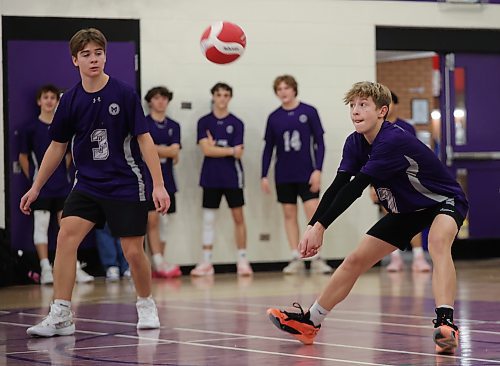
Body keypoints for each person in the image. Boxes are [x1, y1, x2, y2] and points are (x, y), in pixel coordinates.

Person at [267, 81, 468, 355]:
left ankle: (446, 325)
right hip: (407, 210)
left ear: (382, 111)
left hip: (443, 200)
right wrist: (313, 225)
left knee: (437, 242)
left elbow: (355, 188)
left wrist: (322, 226)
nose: (356, 112)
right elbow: (338, 186)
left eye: (363, 105)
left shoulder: (391, 139)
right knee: (355, 260)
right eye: (352, 106)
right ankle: (310, 322)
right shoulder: (354, 142)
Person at [21, 28, 170, 337]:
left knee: (132, 251)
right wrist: (36, 187)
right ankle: (61, 313)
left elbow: (145, 140)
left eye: (98, 53)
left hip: (125, 182)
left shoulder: (125, 93)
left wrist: (158, 184)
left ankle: (145, 303)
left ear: (105, 55)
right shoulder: (70, 99)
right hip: (87, 183)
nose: (93, 59)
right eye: (86, 54)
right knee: (66, 237)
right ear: (75, 60)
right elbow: (57, 147)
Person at [19, 84, 94, 285]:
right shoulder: (30, 128)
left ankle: (75, 267)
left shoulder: (64, 126)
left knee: (68, 228)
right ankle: (45, 268)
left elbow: (68, 154)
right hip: (42, 189)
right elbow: (24, 157)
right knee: (41, 226)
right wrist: (34, 180)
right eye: (46, 97)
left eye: (53, 97)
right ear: (39, 101)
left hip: (63, 186)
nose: (50, 101)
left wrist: (62, 174)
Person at [261, 75, 333, 274]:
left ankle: (317, 257)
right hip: (283, 174)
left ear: (294, 89)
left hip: (306, 173)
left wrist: (318, 169)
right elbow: (269, 148)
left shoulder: (308, 112)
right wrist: (264, 175)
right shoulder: (274, 117)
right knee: (289, 214)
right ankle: (296, 256)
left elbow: (320, 143)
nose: (283, 92)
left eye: (286, 88)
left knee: (314, 213)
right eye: (279, 89)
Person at [190, 82, 253, 276]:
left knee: (238, 217)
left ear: (230, 98)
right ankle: (206, 262)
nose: (222, 99)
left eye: (226, 95)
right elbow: (206, 150)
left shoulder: (237, 123)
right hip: (211, 176)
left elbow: (238, 153)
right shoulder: (204, 122)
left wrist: (219, 149)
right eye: (219, 95)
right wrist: (228, 150)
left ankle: (242, 260)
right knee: (209, 218)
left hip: (233, 176)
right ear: (213, 97)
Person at [373, 90, 432, 273]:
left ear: (395, 105)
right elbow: (372, 159)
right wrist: (371, 185)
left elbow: (416, 155)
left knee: (412, 217)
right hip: (385, 180)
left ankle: (418, 257)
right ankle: (395, 258)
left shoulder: (407, 127)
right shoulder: (375, 128)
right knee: (392, 218)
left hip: (407, 180)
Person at [143, 86, 182, 278]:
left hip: (168, 180)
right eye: (157, 98)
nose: (160, 102)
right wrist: (164, 150)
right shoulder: (144, 123)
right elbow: (144, 150)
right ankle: (156, 260)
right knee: (152, 220)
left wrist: (157, 149)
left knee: (165, 221)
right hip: (148, 179)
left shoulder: (174, 125)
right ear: (150, 101)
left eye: (164, 98)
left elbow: (175, 152)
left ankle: (162, 260)